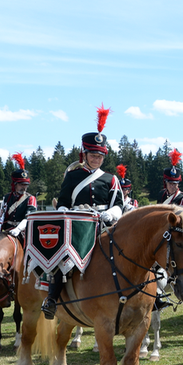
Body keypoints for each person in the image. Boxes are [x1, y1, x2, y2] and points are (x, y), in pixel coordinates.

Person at [41, 105, 124, 319]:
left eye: (100, 155)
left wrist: (111, 214)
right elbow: (62, 202)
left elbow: (119, 204)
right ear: (84, 154)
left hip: (106, 224)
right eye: (93, 154)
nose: (97, 158)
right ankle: (52, 298)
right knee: (62, 257)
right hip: (78, 225)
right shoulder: (73, 176)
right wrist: (66, 213)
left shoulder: (111, 179)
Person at [0, 153, 38, 237]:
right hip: (7, 229)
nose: (24, 187)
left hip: (23, 231)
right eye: (21, 184)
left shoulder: (30, 199)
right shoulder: (7, 197)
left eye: (25, 185)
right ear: (15, 184)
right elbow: (3, 213)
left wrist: (18, 229)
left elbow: (29, 218)